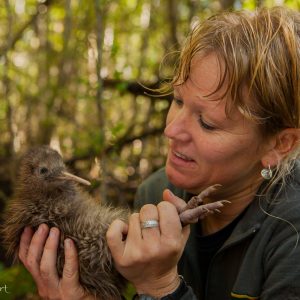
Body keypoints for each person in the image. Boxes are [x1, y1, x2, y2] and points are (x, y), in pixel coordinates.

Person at [18, 6, 300, 300]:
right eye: (177, 100)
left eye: (208, 123)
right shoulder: (158, 191)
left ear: (279, 144)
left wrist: (161, 287)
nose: (171, 130)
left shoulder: (292, 231)